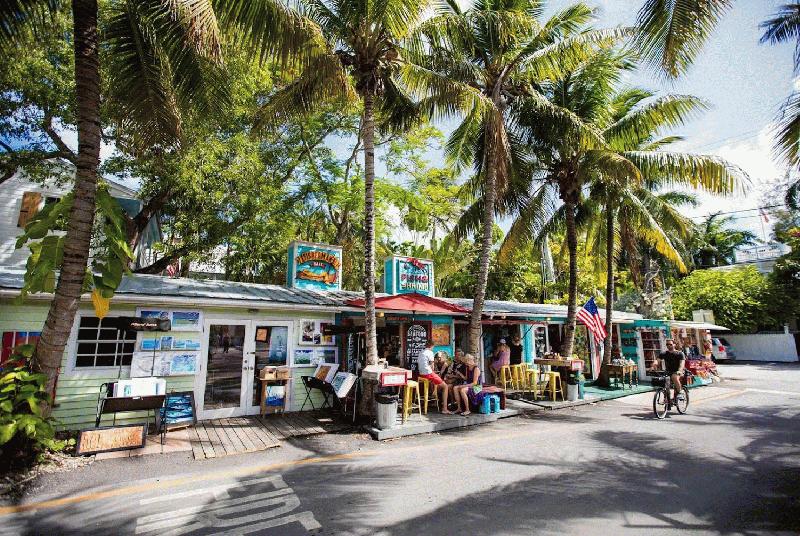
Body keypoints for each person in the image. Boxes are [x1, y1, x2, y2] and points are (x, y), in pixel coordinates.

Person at [417, 340, 451, 414]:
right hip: (428, 374)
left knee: (434, 383)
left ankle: (433, 400)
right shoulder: (430, 353)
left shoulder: (421, 352)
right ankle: (444, 409)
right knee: (445, 386)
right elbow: (432, 367)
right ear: (432, 346)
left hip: (421, 374)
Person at [659, 339, 686, 403]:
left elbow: (682, 364)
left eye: (670, 344)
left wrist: (679, 371)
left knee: (674, 377)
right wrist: (654, 365)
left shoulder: (680, 353)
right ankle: (667, 398)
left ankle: (680, 392)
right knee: (663, 381)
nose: (668, 346)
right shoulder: (664, 353)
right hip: (668, 372)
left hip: (678, 372)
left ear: (674, 344)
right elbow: (658, 360)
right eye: (667, 344)